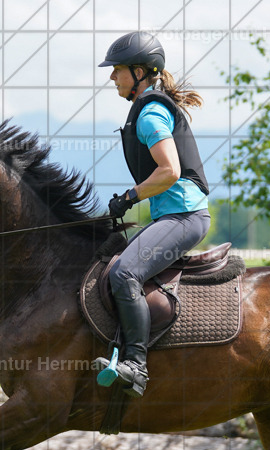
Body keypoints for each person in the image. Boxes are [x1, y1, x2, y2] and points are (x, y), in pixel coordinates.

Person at [96, 31, 211, 397]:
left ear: (140, 72)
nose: (112, 77)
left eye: (117, 70)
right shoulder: (146, 109)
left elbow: (169, 171)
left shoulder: (150, 115)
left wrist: (131, 196)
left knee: (126, 272)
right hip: (173, 216)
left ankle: (137, 367)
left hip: (186, 216)